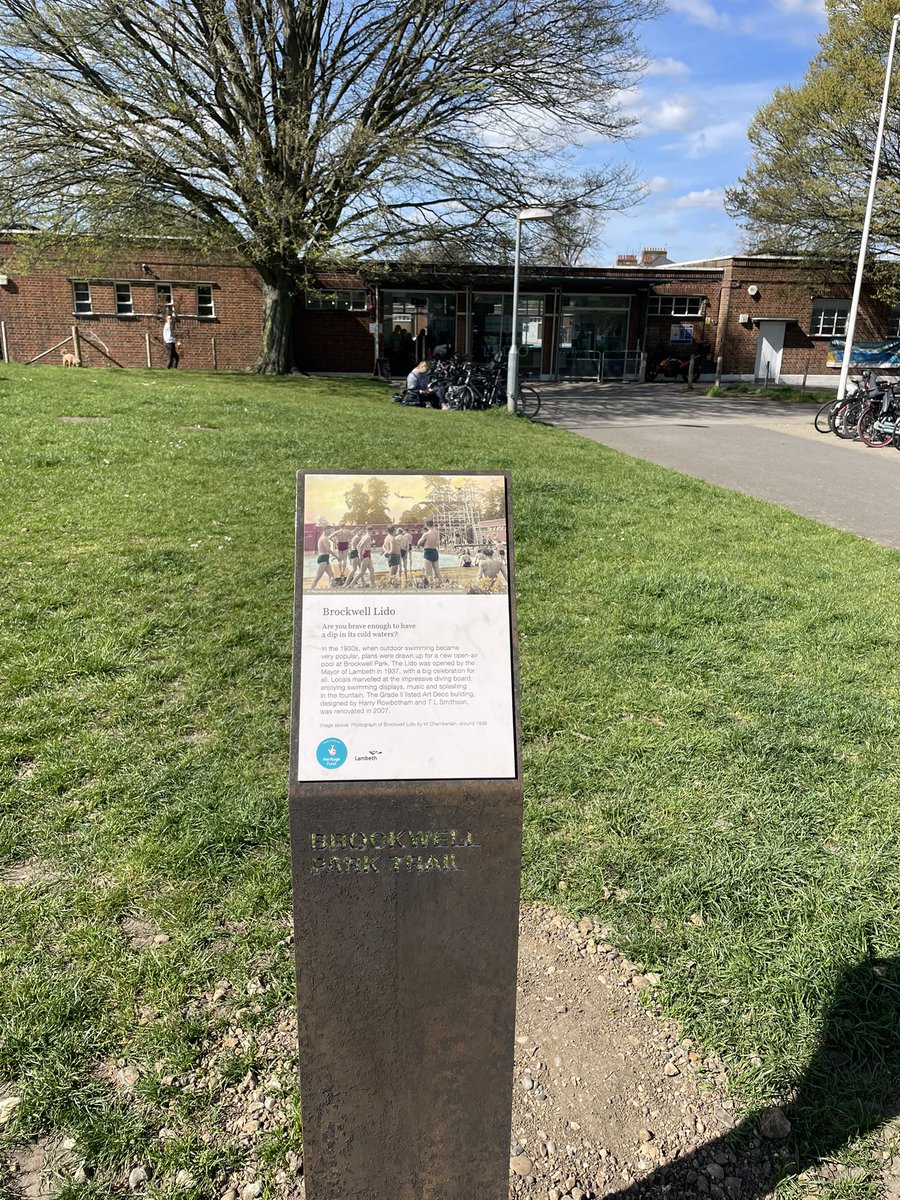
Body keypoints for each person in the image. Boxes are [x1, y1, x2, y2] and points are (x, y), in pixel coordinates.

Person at [417, 520, 443, 587]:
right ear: (433, 524)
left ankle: (431, 587)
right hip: (435, 551)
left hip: (428, 552)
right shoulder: (437, 533)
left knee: (429, 573)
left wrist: (424, 542)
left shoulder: (426, 534)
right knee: (437, 572)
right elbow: (437, 543)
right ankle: (441, 585)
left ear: (426, 525)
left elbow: (419, 543)